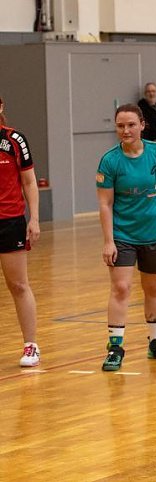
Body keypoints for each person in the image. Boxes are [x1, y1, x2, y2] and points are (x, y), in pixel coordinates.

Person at [96, 104, 156, 371]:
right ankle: (115, 348)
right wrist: (108, 240)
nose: (126, 130)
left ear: (142, 125)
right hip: (123, 234)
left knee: (153, 288)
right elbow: (105, 204)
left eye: (131, 125)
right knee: (121, 288)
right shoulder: (110, 161)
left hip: (155, 233)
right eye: (120, 126)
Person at [0, 95, 41, 367]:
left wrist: (34, 218)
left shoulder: (15, 140)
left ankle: (31, 346)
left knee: (18, 284)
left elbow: (29, 181)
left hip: (10, 220)